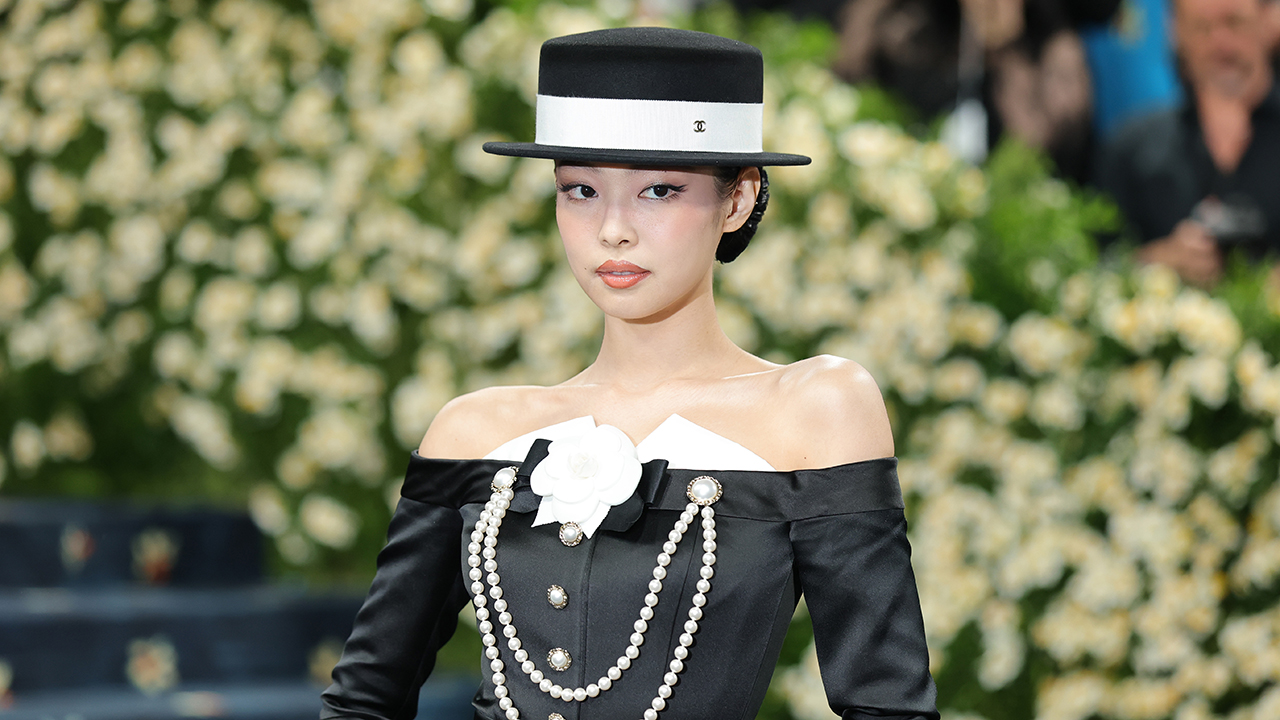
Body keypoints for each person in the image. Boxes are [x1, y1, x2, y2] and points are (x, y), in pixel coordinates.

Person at [320, 27, 938, 720]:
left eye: (659, 191)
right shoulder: (473, 428)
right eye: (580, 189)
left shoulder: (815, 409)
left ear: (737, 201)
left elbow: (888, 707)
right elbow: (362, 700)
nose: (612, 229)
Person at [1095, 0, 1280, 287]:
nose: (1221, 43)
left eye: (1234, 22)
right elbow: (1090, 271)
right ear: (1175, 32)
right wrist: (1155, 264)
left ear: (1268, 21)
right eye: (1201, 27)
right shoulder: (1130, 148)